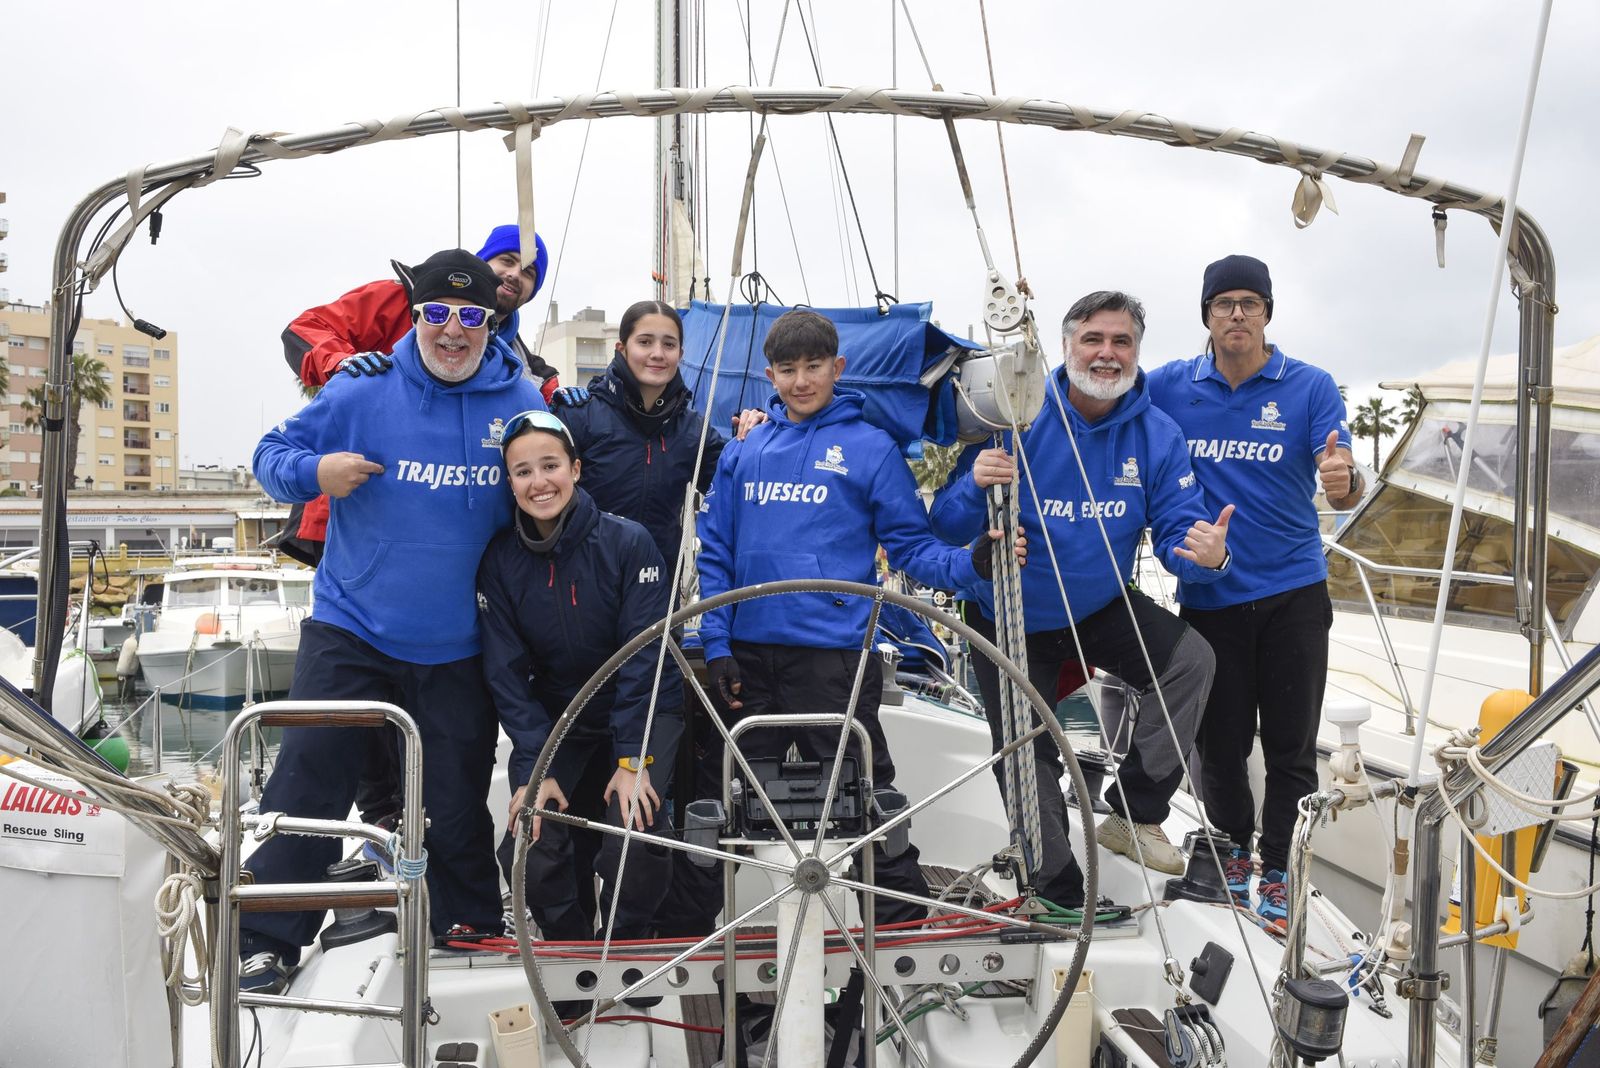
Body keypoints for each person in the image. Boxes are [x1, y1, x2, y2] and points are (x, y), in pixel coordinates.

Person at [241, 249, 548, 991]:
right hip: (353, 627)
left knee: (455, 795)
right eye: (437, 313)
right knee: (309, 786)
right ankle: (266, 938)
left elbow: (558, 479)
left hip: (459, 642)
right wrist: (317, 473)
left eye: (471, 316)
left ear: (492, 323)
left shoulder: (520, 398)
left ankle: (467, 920)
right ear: (414, 317)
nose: (453, 330)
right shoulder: (362, 388)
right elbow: (270, 454)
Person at [697, 309, 1012, 925]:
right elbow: (716, 553)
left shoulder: (871, 449)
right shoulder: (743, 450)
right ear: (769, 374)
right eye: (787, 369)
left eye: (814, 366)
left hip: (836, 658)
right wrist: (716, 644)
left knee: (866, 799)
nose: (801, 381)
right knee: (722, 800)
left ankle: (899, 928)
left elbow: (912, 548)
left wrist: (971, 563)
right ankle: (689, 934)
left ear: (837, 368)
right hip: (746, 659)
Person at [931, 290, 1229, 905]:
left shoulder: (1157, 435)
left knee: (1191, 662)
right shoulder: (1016, 417)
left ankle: (1133, 813)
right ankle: (1056, 889)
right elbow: (944, 525)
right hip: (1009, 612)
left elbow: (1178, 530)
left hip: (1097, 604)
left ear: (1137, 351)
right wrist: (974, 487)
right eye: (1093, 339)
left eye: (1122, 341)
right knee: (1027, 747)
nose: (1107, 353)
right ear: (1066, 346)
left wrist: (1205, 557)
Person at [1145, 254, 1359, 928]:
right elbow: (1101, 406)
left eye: (1250, 302)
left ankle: (1281, 868)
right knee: (1221, 745)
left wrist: (1343, 480)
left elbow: (1343, 478)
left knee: (1292, 747)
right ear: (1207, 314)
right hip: (1211, 596)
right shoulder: (1169, 386)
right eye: (1224, 303)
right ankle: (1233, 849)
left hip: (1294, 593)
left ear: (1267, 312)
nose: (1237, 313)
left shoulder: (1309, 386)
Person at [477, 409, 683, 948]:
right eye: (523, 471)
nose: (539, 482)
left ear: (575, 468)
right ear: (509, 482)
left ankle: (627, 945)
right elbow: (505, 674)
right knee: (530, 840)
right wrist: (536, 765)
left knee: (635, 835)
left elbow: (644, 660)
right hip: (559, 719)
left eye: (550, 465)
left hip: (643, 709)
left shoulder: (629, 542)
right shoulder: (499, 561)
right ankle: (573, 952)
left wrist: (632, 760)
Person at [277, 225, 558, 568]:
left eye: (529, 273)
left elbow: (558, 443)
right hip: (355, 514)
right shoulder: (402, 300)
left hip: (455, 543)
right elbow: (306, 329)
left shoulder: (523, 370)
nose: (514, 274)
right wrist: (343, 366)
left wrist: (581, 406)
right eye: (507, 260)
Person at [550, 299, 762, 574]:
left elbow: (735, 483)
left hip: (658, 585)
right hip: (582, 582)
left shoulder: (691, 430)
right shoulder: (579, 416)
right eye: (645, 342)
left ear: (680, 354)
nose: (658, 353)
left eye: (669, 345)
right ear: (622, 349)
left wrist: (758, 432)